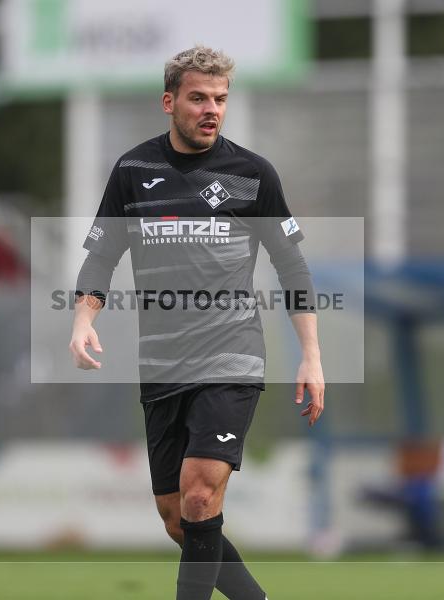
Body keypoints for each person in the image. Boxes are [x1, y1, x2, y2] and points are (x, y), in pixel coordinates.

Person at [69, 46, 324, 600]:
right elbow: (100, 256)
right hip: (161, 363)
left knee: (201, 496)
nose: (212, 109)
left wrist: (311, 354)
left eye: (221, 99)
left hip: (231, 355)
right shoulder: (134, 171)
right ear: (170, 102)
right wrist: (82, 318)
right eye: (199, 98)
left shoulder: (252, 175)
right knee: (177, 517)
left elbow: (292, 266)